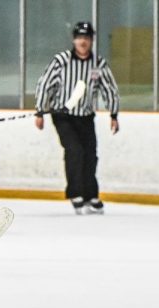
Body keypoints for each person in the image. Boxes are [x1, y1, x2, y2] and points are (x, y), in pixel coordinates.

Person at [35, 21, 119, 215]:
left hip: (86, 116)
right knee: (75, 150)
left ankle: (90, 194)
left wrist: (114, 114)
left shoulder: (98, 64)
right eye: (80, 38)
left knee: (90, 155)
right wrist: (40, 111)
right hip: (62, 115)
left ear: (91, 40)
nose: (83, 42)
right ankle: (75, 193)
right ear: (74, 40)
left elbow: (110, 89)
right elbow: (44, 83)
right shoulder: (61, 61)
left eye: (87, 38)